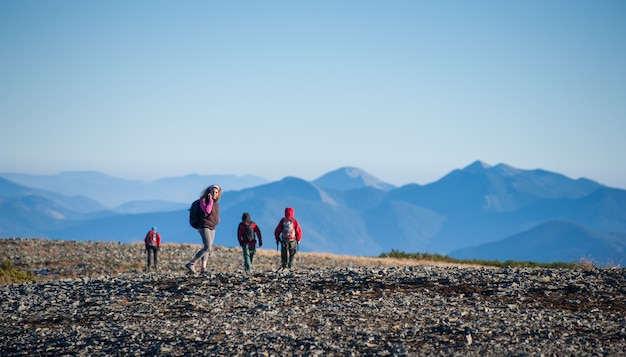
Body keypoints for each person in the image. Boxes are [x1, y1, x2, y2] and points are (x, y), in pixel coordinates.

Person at [185, 184, 221, 274]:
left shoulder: (216, 203)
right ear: (209, 191)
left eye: (216, 192)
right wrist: (210, 201)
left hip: (212, 226)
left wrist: (217, 219)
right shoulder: (204, 201)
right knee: (207, 247)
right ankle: (191, 263)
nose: (214, 193)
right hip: (204, 226)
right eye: (213, 191)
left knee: (208, 248)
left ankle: (203, 268)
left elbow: (214, 214)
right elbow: (207, 211)